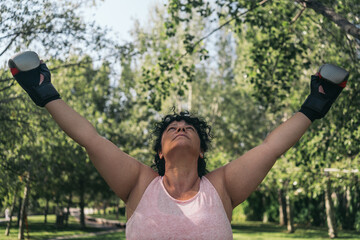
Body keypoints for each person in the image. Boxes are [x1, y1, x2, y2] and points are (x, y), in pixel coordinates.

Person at [8, 51, 349, 239]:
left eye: (189, 128)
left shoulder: (222, 186)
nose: (181, 128)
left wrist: (316, 103)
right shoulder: (140, 184)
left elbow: (271, 148)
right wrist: (43, 91)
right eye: (173, 127)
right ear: (159, 151)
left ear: (201, 150)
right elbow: (91, 139)